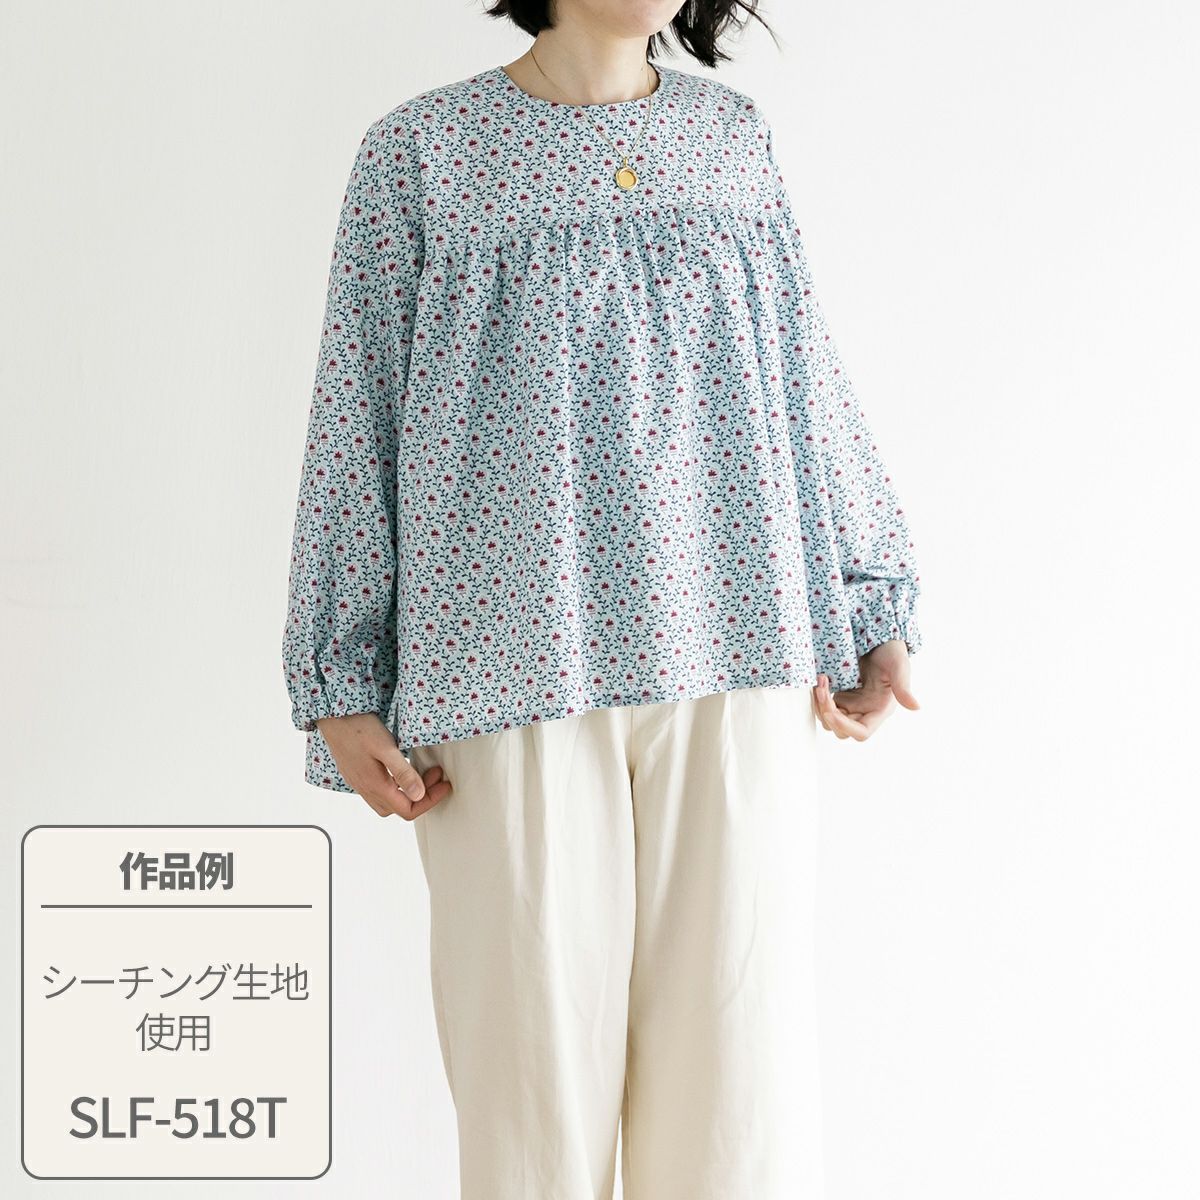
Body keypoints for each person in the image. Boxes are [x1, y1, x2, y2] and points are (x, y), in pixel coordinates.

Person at [282, 2, 923, 1196]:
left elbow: (802, 370)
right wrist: (339, 677)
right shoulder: (423, 152)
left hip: (738, 642)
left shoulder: (731, 137)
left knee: (738, 1103)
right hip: (505, 665)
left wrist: (869, 599)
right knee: (533, 1107)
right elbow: (353, 413)